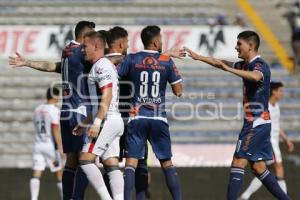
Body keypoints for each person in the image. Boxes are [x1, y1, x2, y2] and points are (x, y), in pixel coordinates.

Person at [185, 30, 290, 200]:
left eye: (239, 44)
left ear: (251, 46)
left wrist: (229, 69)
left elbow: (256, 77)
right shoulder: (245, 64)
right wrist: (199, 57)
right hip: (259, 122)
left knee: (238, 162)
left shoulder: (259, 65)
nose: (236, 47)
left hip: (255, 122)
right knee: (258, 167)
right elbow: (221, 63)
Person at [9, 21, 95, 200]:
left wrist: (28, 62)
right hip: (79, 110)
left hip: (66, 110)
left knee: (72, 161)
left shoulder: (67, 51)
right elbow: (107, 60)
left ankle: (68, 198)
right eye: (92, 36)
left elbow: (55, 67)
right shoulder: (81, 52)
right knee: (87, 159)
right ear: (85, 37)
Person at [118, 25, 183, 200]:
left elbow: (116, 75)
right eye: (160, 39)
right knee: (167, 164)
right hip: (158, 118)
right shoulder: (167, 60)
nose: (162, 42)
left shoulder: (131, 59)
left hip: (137, 117)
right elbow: (178, 91)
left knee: (130, 164)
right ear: (155, 42)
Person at [72, 31, 124, 200]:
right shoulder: (104, 64)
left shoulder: (101, 65)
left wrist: (97, 122)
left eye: (85, 46)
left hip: (106, 120)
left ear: (96, 46)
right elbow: (100, 102)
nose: (82, 50)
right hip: (113, 119)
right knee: (111, 164)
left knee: (86, 160)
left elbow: (106, 95)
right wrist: (86, 122)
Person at [239, 81, 294, 200]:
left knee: (265, 171)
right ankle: (284, 197)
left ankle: (245, 196)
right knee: (279, 167)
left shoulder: (276, 106)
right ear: (274, 92)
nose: (282, 94)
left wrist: (286, 139)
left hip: (274, 142)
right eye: (280, 91)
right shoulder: (265, 107)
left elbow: (276, 125)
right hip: (269, 142)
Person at [30, 87, 63, 200]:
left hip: (38, 145)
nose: (59, 99)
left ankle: (34, 198)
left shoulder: (37, 109)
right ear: (55, 96)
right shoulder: (54, 110)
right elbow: (55, 129)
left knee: (36, 173)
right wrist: (60, 147)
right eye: (58, 96)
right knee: (59, 174)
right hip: (50, 147)